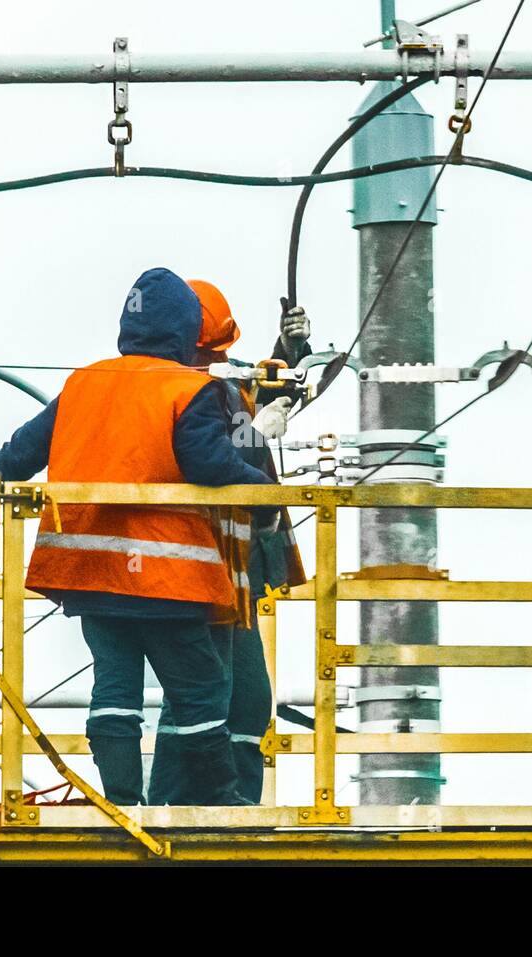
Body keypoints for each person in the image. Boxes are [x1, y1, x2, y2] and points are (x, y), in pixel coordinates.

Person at [0, 267, 275, 807]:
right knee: (200, 695)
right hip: (170, 579)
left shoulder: (84, 383)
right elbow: (209, 462)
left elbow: (21, 454)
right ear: (185, 331)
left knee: (115, 691)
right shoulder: (188, 388)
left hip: (88, 577)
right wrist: (265, 498)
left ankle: (122, 801)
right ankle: (223, 802)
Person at [146, 280, 311, 805]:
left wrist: (286, 355)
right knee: (202, 693)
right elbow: (218, 454)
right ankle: (183, 802)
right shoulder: (180, 390)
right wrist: (259, 432)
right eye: (212, 350)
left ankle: (232, 802)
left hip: (231, 567)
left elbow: (247, 400)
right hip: (201, 564)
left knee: (241, 697)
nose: (219, 358)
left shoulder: (214, 385)